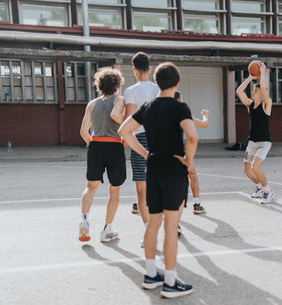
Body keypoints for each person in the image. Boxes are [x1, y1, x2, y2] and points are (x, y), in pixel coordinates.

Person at [118, 62, 197, 298]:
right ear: (177, 83)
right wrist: (189, 161)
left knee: (153, 224)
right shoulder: (179, 107)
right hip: (173, 170)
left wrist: (144, 153)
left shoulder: (147, 107)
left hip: (153, 168)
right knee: (171, 227)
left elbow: (124, 130)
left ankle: (151, 274)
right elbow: (192, 136)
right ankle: (171, 282)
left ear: (157, 82)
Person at [78, 67, 126, 242]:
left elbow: (83, 132)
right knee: (114, 190)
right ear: (117, 85)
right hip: (115, 147)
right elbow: (123, 123)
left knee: (90, 187)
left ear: (99, 85)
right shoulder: (120, 100)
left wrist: (95, 145)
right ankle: (107, 229)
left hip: (96, 145)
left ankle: (84, 219)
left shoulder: (92, 104)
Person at [123, 52, 160, 237]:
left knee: (141, 188)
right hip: (159, 138)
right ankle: (173, 223)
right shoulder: (158, 89)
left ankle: (148, 229)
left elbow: (130, 116)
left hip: (139, 138)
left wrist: (124, 138)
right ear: (150, 69)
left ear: (134, 70)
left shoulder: (130, 91)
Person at [236, 62, 274, 204]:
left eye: (255, 91)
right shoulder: (250, 105)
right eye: (252, 90)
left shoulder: (267, 104)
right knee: (247, 170)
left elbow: (263, 87)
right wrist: (251, 78)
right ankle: (259, 188)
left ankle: (267, 190)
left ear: (262, 95)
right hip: (252, 142)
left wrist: (263, 73)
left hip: (264, 143)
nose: (252, 92)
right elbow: (239, 92)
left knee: (255, 167)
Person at [174, 91, 208, 214]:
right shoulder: (182, 112)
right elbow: (204, 124)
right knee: (192, 175)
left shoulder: (159, 111)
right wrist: (205, 115)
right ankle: (196, 204)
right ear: (178, 100)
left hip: (161, 152)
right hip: (178, 152)